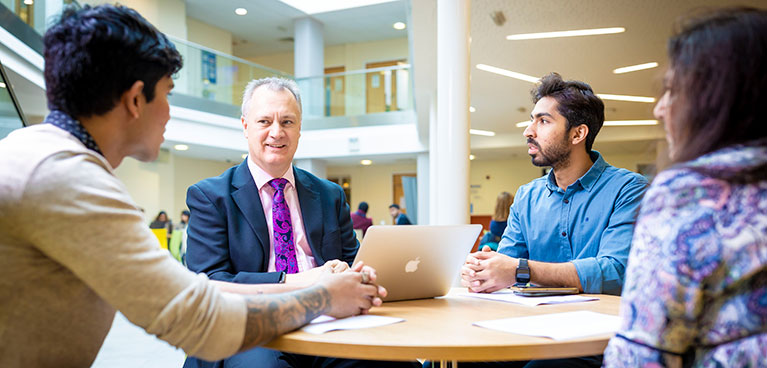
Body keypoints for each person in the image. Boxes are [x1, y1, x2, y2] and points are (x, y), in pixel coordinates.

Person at [0, 5, 384, 367]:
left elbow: (197, 290)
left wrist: (324, 289)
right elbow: (196, 317)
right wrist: (320, 296)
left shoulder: (41, 156)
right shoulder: (68, 180)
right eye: (167, 94)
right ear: (136, 99)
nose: (169, 113)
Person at [184, 77, 419, 368]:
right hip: (254, 328)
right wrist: (306, 281)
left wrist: (355, 272)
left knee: (396, 362)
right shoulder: (210, 197)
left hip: (329, 325)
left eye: (287, 122)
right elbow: (210, 281)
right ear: (245, 126)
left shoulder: (329, 194)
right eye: (264, 121)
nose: (276, 132)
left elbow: (354, 260)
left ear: (299, 129)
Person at [603, 8, 767, 367]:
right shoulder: (528, 195)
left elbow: (640, 357)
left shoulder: (689, 191)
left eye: (674, 90)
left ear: (719, 99)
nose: (660, 110)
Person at [459, 73, 648, 368]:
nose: (528, 131)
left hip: (595, 340)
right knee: (463, 359)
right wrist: (484, 271)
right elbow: (506, 264)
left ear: (577, 134)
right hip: (527, 330)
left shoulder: (628, 189)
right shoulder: (526, 196)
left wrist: (521, 269)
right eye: (532, 119)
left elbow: (616, 271)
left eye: (543, 121)